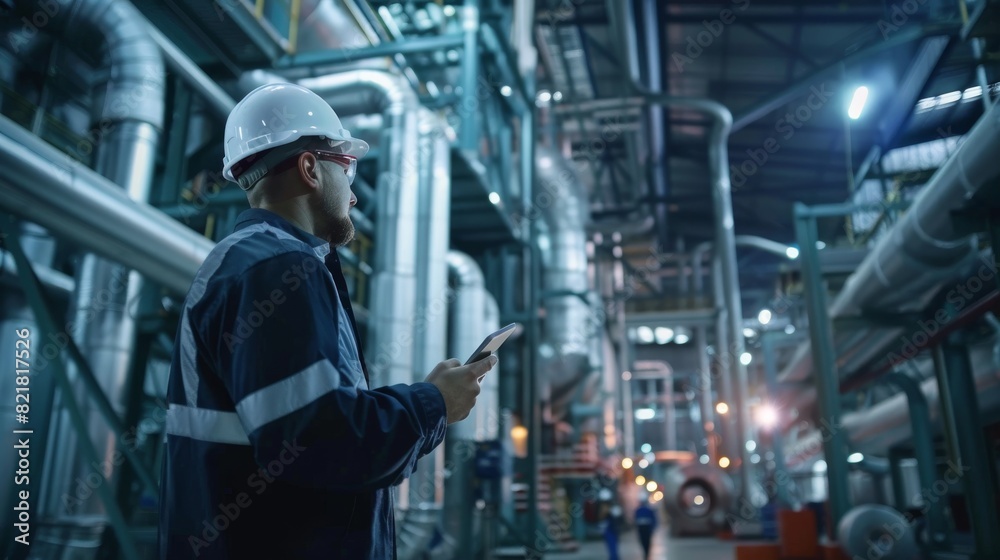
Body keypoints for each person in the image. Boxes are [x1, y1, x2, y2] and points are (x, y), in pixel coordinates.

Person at [158, 83, 496, 559]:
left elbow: (306, 423)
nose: (354, 195)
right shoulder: (277, 270)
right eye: (348, 168)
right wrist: (434, 404)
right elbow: (318, 442)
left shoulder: (255, 262)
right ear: (311, 168)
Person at [634, 496, 658, 560]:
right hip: (642, 529)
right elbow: (635, 519)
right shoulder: (638, 510)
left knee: (647, 542)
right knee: (643, 542)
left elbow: (653, 519)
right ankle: (645, 554)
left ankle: (646, 554)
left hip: (647, 528)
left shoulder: (648, 510)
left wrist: (653, 528)